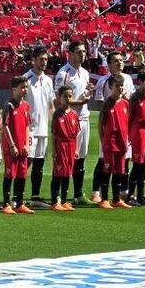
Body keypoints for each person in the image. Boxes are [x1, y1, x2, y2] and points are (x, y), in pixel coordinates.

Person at [91, 50, 134, 204]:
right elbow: (99, 104)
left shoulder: (128, 79)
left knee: (124, 160)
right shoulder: (103, 81)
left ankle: (121, 192)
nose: (119, 63)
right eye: (115, 61)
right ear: (108, 65)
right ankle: (97, 191)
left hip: (123, 126)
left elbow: (130, 100)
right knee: (103, 161)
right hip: (110, 129)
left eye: (121, 60)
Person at [54, 40, 93, 204]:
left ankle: (78, 194)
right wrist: (80, 102)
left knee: (81, 157)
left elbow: (82, 95)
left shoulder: (84, 72)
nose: (82, 54)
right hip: (68, 121)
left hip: (83, 118)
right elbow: (58, 101)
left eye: (84, 51)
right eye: (78, 51)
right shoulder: (63, 74)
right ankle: (61, 195)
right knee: (66, 158)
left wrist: (88, 93)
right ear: (69, 53)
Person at [23, 46, 54, 206]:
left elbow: (50, 105)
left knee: (39, 163)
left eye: (46, 59)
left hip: (43, 129)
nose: (44, 62)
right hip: (29, 129)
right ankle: (17, 196)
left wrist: (53, 124)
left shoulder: (48, 80)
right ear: (33, 60)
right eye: (41, 59)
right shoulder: (25, 79)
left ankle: (35, 196)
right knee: (25, 162)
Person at [0, 76, 33, 215]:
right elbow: (5, 126)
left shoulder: (25, 105)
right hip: (11, 146)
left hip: (22, 146)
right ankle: (6, 204)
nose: (25, 90)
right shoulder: (9, 105)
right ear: (14, 89)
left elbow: (26, 126)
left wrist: (26, 144)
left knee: (22, 174)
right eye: (22, 87)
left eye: (26, 87)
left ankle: (19, 203)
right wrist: (12, 145)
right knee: (9, 174)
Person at [98, 75, 131, 209]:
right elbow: (100, 124)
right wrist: (103, 140)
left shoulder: (125, 103)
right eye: (117, 86)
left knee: (119, 172)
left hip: (122, 143)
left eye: (121, 85)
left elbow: (127, 122)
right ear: (110, 87)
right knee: (107, 170)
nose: (120, 88)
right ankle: (104, 199)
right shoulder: (107, 104)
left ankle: (116, 199)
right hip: (110, 143)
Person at [128, 70, 145, 207]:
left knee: (144, 164)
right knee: (137, 165)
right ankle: (130, 196)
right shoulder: (134, 98)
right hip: (137, 131)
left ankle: (140, 195)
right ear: (140, 82)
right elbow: (129, 118)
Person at [50, 85, 80, 211]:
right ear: (59, 98)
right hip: (61, 146)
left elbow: (76, 134)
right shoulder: (57, 114)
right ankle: (54, 201)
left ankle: (64, 200)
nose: (68, 98)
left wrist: (77, 149)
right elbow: (53, 134)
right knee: (58, 173)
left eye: (70, 96)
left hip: (71, 146)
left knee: (68, 173)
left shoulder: (74, 114)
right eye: (65, 96)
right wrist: (54, 151)